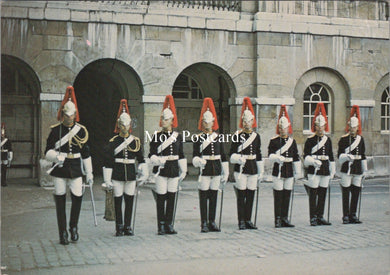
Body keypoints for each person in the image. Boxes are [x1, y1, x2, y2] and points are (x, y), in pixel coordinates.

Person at [45, 86, 93, 245]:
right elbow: (47, 151)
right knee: (60, 200)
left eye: (72, 115)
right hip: (59, 167)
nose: (69, 118)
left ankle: (73, 227)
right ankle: (62, 232)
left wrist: (90, 173)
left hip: (75, 166)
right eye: (67, 115)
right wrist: (56, 156)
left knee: (77, 198)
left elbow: (85, 153)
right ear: (63, 114)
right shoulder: (55, 130)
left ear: (75, 115)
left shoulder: (81, 131)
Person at [102, 99, 148, 236]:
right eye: (122, 124)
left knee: (129, 200)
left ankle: (128, 226)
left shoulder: (136, 141)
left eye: (126, 124)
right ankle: (119, 226)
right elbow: (108, 161)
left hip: (130, 174)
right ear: (118, 125)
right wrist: (107, 179)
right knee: (117, 200)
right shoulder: (113, 142)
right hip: (117, 174)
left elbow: (140, 159)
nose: (124, 127)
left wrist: (144, 173)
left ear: (130, 125)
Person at [149, 95, 187, 235]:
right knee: (161, 198)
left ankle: (169, 224)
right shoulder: (156, 136)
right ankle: (161, 225)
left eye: (166, 119)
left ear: (171, 120)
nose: (163, 122)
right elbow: (151, 154)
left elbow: (181, 154)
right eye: (162, 119)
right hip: (161, 170)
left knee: (172, 197)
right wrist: (157, 160)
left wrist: (184, 170)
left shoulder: (177, 136)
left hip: (173, 169)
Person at [192, 97, 229, 233]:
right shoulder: (198, 138)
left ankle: (212, 221)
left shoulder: (218, 137)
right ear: (202, 122)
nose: (207, 124)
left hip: (216, 169)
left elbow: (223, 155)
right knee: (204, 196)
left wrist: (226, 172)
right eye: (205, 122)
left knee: (213, 195)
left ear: (213, 122)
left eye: (210, 121)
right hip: (205, 169)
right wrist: (198, 161)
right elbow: (195, 155)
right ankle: (204, 223)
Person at [229, 97, 263, 230]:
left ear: (252, 121)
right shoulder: (237, 135)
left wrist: (261, 171)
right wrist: (238, 159)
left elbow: (258, 154)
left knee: (250, 195)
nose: (246, 123)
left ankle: (248, 219)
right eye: (244, 120)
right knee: (241, 195)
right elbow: (231, 154)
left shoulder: (257, 136)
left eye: (249, 121)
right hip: (241, 168)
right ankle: (241, 221)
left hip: (253, 167)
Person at [268, 105, 301, 228]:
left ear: (288, 128)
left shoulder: (292, 142)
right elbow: (270, 155)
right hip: (278, 171)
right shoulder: (274, 141)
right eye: (281, 128)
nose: (283, 130)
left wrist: (298, 172)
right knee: (278, 195)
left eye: (285, 128)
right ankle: (277, 219)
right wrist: (277, 158)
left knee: (287, 195)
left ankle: (285, 218)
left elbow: (296, 157)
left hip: (289, 171)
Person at [303, 102, 335, 226]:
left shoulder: (328, 140)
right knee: (313, 193)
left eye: (322, 126)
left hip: (325, 168)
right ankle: (313, 217)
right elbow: (306, 156)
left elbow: (331, 156)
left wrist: (332, 171)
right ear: (315, 126)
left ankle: (320, 216)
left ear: (325, 126)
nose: (320, 128)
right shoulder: (310, 140)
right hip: (314, 169)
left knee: (322, 193)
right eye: (318, 126)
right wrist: (312, 161)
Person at [337, 105, 367, 224]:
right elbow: (339, 155)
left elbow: (363, 155)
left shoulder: (361, 139)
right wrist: (345, 157)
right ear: (348, 127)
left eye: (355, 127)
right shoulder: (344, 139)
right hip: (347, 167)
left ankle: (353, 214)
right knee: (345, 191)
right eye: (351, 127)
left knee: (356, 191)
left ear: (357, 127)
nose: (352, 129)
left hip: (358, 167)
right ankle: (345, 215)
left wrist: (365, 170)